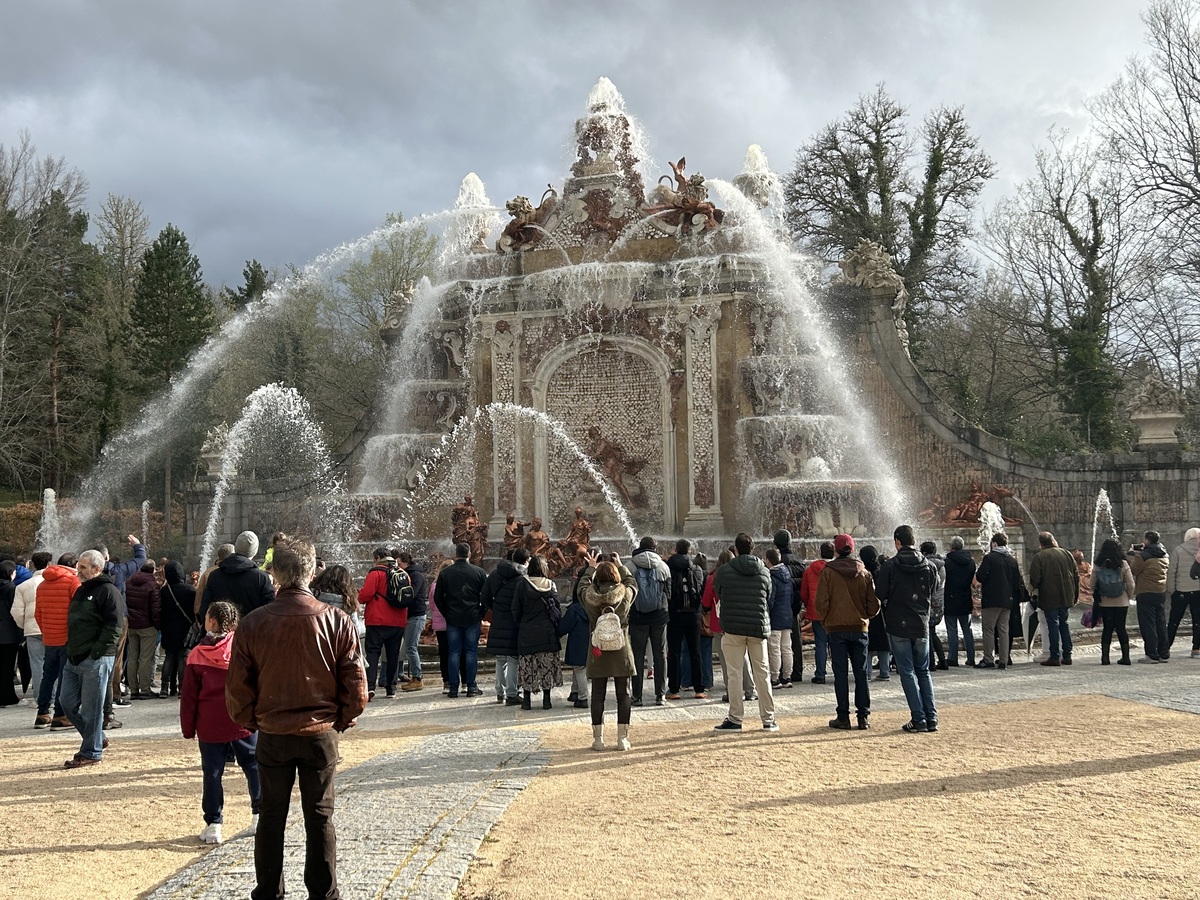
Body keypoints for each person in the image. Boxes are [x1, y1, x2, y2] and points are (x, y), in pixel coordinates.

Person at [226, 539, 367, 900]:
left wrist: (253, 721)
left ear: (274, 574)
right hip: (320, 732)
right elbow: (356, 683)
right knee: (319, 816)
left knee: (271, 817)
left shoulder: (254, 623)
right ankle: (323, 893)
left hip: (273, 731)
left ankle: (269, 892)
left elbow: (237, 689)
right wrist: (342, 719)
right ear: (311, 571)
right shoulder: (335, 619)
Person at [180, 601, 261, 845]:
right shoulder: (243, 647)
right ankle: (260, 813)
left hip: (210, 721)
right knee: (253, 766)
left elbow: (189, 697)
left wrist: (188, 727)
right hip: (241, 717)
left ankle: (214, 822)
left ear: (212, 621)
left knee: (213, 772)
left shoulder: (196, 655)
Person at [59, 550, 122, 768]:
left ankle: (91, 752)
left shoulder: (108, 591)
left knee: (91, 709)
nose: (79, 571)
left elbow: (115, 627)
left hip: (96, 659)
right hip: (74, 657)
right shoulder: (80, 590)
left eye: (84, 568)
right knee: (66, 703)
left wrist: (96, 652)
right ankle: (97, 739)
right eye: (79, 567)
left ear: (97, 568)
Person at [712, 532, 777, 733]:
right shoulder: (764, 571)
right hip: (758, 626)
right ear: (753, 548)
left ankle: (735, 718)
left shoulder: (724, 571)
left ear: (736, 549)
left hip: (732, 628)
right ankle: (768, 719)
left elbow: (718, 591)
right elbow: (768, 595)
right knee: (763, 673)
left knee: (734, 673)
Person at [876, 526, 938, 733]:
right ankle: (931, 717)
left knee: (907, 672)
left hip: (898, 624)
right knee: (924, 671)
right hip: (921, 623)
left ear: (897, 542)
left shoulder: (890, 566)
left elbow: (880, 592)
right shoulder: (929, 566)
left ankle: (918, 718)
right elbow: (933, 590)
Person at [815, 533, 880, 731]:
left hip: (836, 629)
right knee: (861, 673)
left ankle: (843, 716)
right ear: (852, 549)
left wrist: (827, 619)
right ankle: (863, 717)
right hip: (859, 628)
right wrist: (866, 617)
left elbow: (821, 603)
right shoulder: (864, 572)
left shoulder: (828, 572)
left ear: (836, 550)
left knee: (840, 673)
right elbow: (874, 604)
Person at [579, 554, 636, 751]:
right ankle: (622, 739)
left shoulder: (589, 597)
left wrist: (591, 568)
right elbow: (633, 584)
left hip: (598, 650)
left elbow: (581, 587)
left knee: (597, 695)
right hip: (621, 647)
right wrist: (621, 566)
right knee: (624, 694)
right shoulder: (625, 595)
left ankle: (598, 739)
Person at [433, 543, 487, 698]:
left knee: (454, 652)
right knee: (471, 651)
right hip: (472, 615)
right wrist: (481, 612)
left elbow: (438, 597)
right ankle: (471, 686)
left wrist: (446, 613)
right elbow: (485, 596)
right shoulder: (478, 572)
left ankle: (453, 688)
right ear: (469, 554)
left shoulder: (446, 573)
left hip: (453, 617)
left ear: (456, 554)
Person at [33, 554, 79, 729]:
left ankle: (42, 713)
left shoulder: (43, 584)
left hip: (50, 638)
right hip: (67, 637)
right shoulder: (73, 582)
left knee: (48, 676)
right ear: (73, 565)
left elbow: (38, 613)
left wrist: (46, 631)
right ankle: (60, 715)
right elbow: (78, 611)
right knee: (65, 677)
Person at [702, 548, 754, 703]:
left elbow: (705, 601)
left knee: (725, 659)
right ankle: (750, 689)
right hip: (738, 620)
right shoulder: (740, 575)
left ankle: (732, 691)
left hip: (719, 623)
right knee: (743, 656)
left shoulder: (713, 577)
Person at [512, 554, 563, 710]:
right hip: (547, 632)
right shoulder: (550, 585)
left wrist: (522, 624)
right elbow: (557, 609)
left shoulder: (521, 585)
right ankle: (546, 700)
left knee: (527, 666)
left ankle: (526, 700)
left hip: (527, 631)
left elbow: (515, 609)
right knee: (546, 665)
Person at [357, 547, 408, 700]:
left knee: (372, 653)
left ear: (378, 558)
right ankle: (391, 688)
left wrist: (358, 595)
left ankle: (370, 687)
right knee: (393, 654)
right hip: (398, 621)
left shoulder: (375, 573)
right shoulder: (403, 574)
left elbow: (365, 596)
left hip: (377, 620)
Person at [481, 548, 528, 705]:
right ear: (524, 561)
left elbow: (484, 596)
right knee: (513, 658)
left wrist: (495, 608)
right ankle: (512, 693)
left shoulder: (495, 574)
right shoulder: (522, 578)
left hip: (499, 619)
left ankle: (499, 692)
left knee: (501, 658)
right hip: (514, 621)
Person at [1027, 532, 1080, 667]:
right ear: (1053, 540)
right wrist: (1075, 594)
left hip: (1049, 596)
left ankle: (1055, 656)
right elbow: (1076, 575)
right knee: (1064, 623)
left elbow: (1035, 579)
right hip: (1066, 594)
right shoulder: (1067, 554)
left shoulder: (1039, 557)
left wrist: (1031, 591)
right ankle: (1067, 655)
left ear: (1041, 544)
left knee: (1052, 624)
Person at [629, 536, 671, 707]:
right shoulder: (663, 566)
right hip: (659, 616)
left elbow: (626, 592)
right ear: (654, 548)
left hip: (638, 617)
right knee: (660, 654)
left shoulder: (630, 565)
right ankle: (660, 695)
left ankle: (637, 696)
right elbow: (669, 593)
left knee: (638, 655)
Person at [974, 533, 1023, 670]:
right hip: (1007, 600)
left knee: (988, 629)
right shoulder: (1011, 560)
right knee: (1004, 630)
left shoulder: (990, 558)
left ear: (994, 543)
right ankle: (1004, 660)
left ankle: (988, 658)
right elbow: (1017, 581)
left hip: (992, 599)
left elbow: (980, 576)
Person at [665, 538, 706, 700]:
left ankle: (674, 689)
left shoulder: (669, 567)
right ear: (689, 551)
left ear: (676, 549)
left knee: (674, 652)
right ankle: (699, 689)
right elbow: (701, 588)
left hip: (674, 613)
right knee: (695, 651)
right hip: (693, 614)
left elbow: (667, 590)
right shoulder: (696, 568)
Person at [202, 532, 274, 619]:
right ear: (254, 551)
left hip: (222, 630)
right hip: (251, 630)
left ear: (236, 547)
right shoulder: (261, 578)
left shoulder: (214, 576)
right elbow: (270, 611)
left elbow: (205, 609)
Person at [12, 551, 51, 705]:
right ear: (49, 564)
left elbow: (16, 612)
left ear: (33, 565)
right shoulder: (54, 582)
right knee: (53, 663)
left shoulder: (23, 586)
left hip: (32, 629)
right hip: (52, 628)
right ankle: (53, 697)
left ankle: (39, 699)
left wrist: (25, 625)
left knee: (37, 664)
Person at [1091, 538, 1135, 665]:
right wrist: (1128, 596)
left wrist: (1098, 594)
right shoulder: (1123, 564)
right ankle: (1126, 657)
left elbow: (1091, 584)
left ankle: (1105, 658)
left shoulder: (1098, 565)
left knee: (1107, 629)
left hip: (1105, 602)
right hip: (1121, 602)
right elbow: (1131, 584)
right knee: (1121, 628)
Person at [1129, 531, 1170, 662]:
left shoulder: (1143, 556)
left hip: (1145, 592)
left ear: (1146, 540)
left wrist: (1133, 554)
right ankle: (1164, 653)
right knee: (1161, 623)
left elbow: (1133, 571)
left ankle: (1151, 654)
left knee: (1148, 624)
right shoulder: (1165, 554)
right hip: (1160, 591)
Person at [125, 561, 162, 699]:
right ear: (153, 570)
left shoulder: (129, 582)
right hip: (147, 625)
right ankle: (145, 689)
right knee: (145, 658)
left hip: (132, 624)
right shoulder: (153, 585)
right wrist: (157, 626)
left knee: (133, 657)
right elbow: (156, 609)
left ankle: (133, 690)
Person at [160, 561, 197, 698]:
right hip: (185, 628)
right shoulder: (190, 590)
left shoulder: (164, 591)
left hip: (168, 627)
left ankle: (164, 688)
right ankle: (182, 688)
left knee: (169, 657)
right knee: (182, 657)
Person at [774, 530, 807, 685]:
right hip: (795, 606)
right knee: (796, 640)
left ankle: (780, 673)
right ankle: (797, 671)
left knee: (778, 643)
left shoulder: (777, 562)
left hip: (781, 606)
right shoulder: (800, 561)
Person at [557, 565, 591, 709]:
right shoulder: (595, 605)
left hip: (578, 643)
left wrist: (557, 633)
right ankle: (575, 692)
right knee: (580, 668)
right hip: (593, 642)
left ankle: (583, 697)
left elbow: (564, 627)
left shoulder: (575, 609)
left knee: (579, 668)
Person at [801, 541, 834, 684]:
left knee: (820, 643)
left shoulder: (810, 570)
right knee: (836, 643)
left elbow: (804, 593)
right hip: (834, 612)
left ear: (820, 553)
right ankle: (839, 672)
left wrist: (809, 605)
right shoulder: (837, 569)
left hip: (816, 611)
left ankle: (820, 674)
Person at [395, 552, 428, 691]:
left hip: (415, 615)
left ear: (406, 562)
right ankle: (411, 675)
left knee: (411, 647)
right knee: (408, 647)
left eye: (399, 563)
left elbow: (410, 594)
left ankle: (417, 677)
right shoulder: (410, 574)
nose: (398, 566)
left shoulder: (415, 575)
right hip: (411, 615)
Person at [1165, 527, 1200, 658]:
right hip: (1198, 591)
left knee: (1174, 620)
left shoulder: (1178, 550)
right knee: (1198, 620)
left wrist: (1171, 590)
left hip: (1181, 591)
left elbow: (1171, 572)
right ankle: (1196, 648)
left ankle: (1166, 647)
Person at [943, 536, 976, 666]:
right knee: (967, 629)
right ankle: (971, 656)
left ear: (951, 547)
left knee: (952, 630)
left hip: (950, 598)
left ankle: (953, 657)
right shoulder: (971, 562)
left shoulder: (947, 562)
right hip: (965, 597)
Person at [764, 547, 794, 689]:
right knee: (787, 648)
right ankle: (787, 676)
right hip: (787, 615)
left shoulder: (772, 576)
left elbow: (771, 600)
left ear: (768, 560)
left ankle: (775, 678)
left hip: (776, 617)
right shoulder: (787, 574)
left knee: (774, 648)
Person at [861, 545, 890, 679]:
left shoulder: (862, 573)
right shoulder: (881, 572)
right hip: (882, 611)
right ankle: (885, 671)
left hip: (866, 610)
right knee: (883, 642)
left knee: (867, 642)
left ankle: (867, 673)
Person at [920, 540, 947, 671]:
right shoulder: (942, 564)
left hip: (929, 601)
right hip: (940, 601)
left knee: (928, 633)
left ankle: (931, 662)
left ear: (924, 552)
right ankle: (942, 660)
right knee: (932, 631)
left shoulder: (927, 565)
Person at [0, 561, 20, 706]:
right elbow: (15, 610)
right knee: (8, 666)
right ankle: (8, 696)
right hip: (9, 633)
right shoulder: (11, 588)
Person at [195, 543, 234, 616]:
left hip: (213, 617)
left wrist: (199, 618)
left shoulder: (207, 573)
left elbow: (199, 597)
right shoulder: (237, 571)